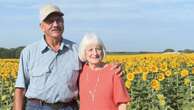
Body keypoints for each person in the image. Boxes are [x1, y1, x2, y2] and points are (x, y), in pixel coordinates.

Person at [13, 4, 121, 110]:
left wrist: (111, 67)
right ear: (42, 27)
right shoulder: (29, 52)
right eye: (50, 21)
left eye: (59, 20)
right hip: (37, 106)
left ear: (63, 24)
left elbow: (93, 68)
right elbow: (20, 89)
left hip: (68, 107)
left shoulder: (76, 50)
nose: (55, 24)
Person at [78, 33, 130, 110]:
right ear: (84, 52)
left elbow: (122, 103)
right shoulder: (81, 70)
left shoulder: (113, 71)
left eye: (98, 49)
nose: (95, 53)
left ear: (102, 51)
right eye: (90, 50)